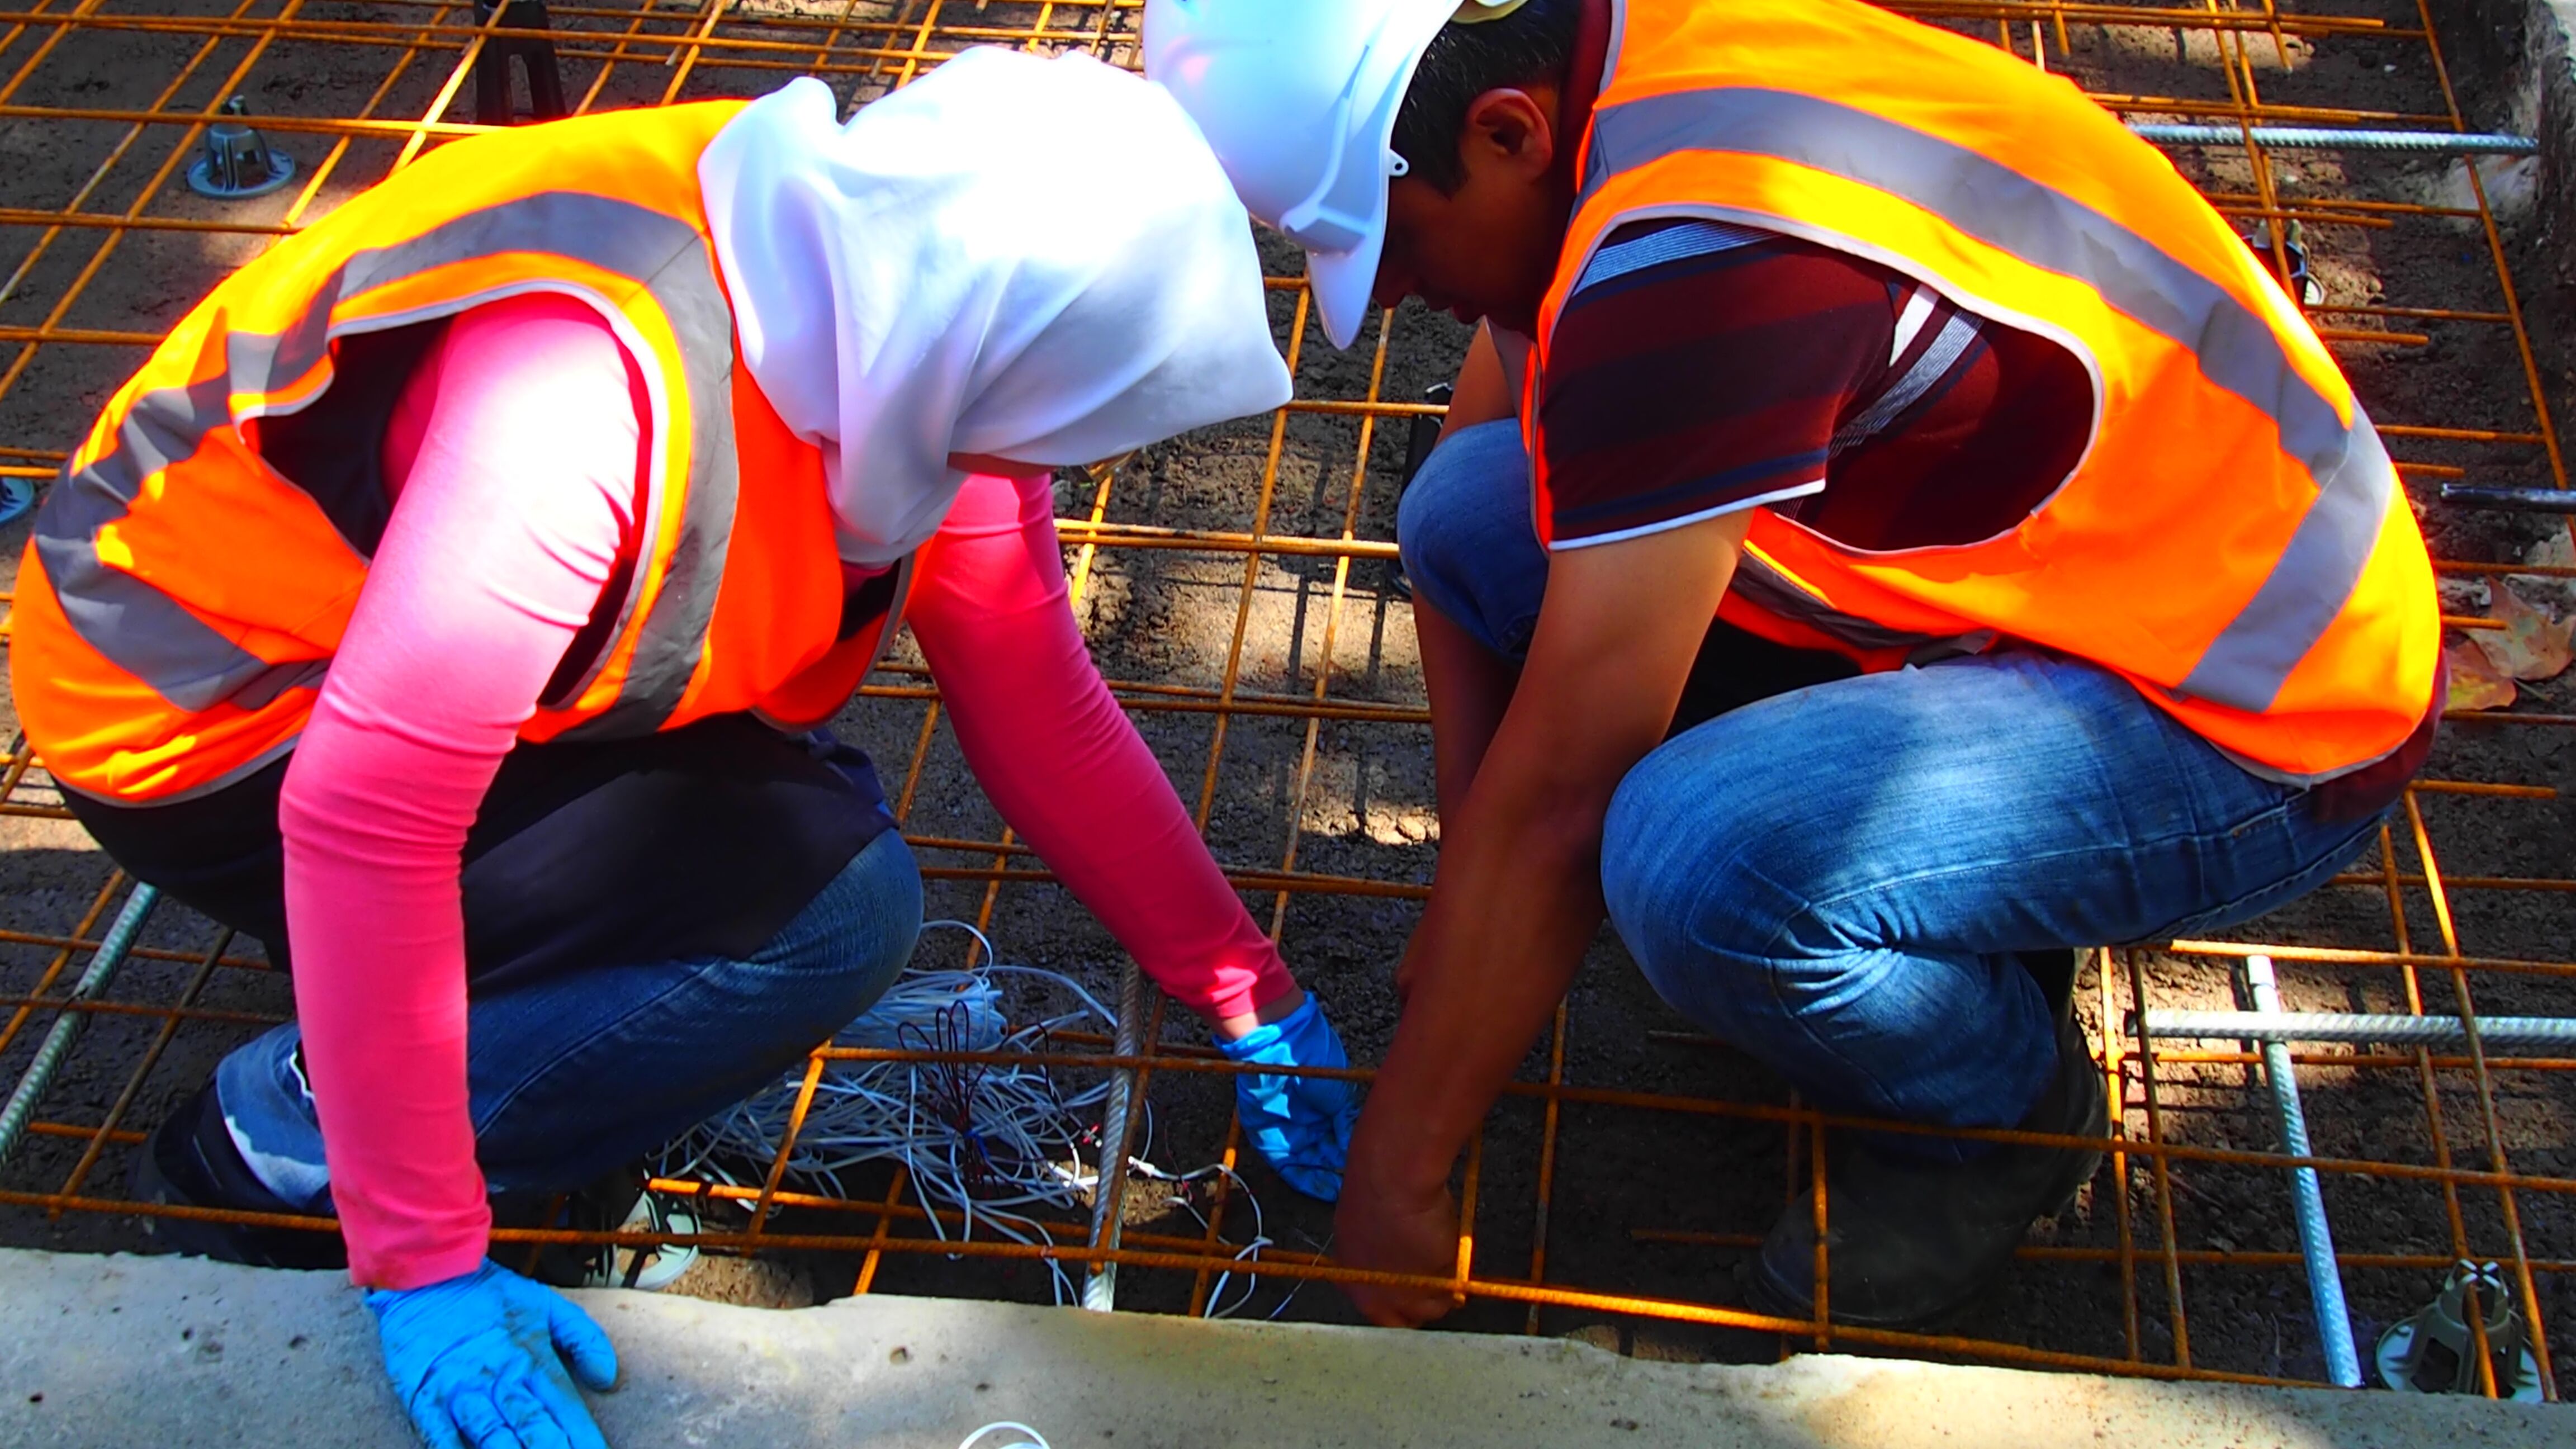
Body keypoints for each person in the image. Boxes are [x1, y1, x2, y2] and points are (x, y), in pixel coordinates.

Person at [11, 50, 1359, 1449]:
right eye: (1055, 429)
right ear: (993, 359)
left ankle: (441, 1019)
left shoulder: (891, 281)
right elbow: (367, 821)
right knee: (829, 913)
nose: (1043, 474)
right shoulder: (583, 406)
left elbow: (1036, 696)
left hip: (348, 639)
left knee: (790, 817)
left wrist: (1245, 991)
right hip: (202, 713)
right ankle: (288, 1136)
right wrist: (421, 1258)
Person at [1147, 0, 2440, 1330]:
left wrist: (1399, 1187)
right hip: (2108, 557)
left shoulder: (1699, 270)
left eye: (1399, 237)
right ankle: (1890, 885)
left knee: (1689, 861)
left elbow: (1564, 796)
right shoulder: (1619, 59)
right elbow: (1489, 440)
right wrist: (1461, 909)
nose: (1399, 286)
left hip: (2251, 705)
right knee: (1474, 509)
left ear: (1507, 129)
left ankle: (1995, 1111)